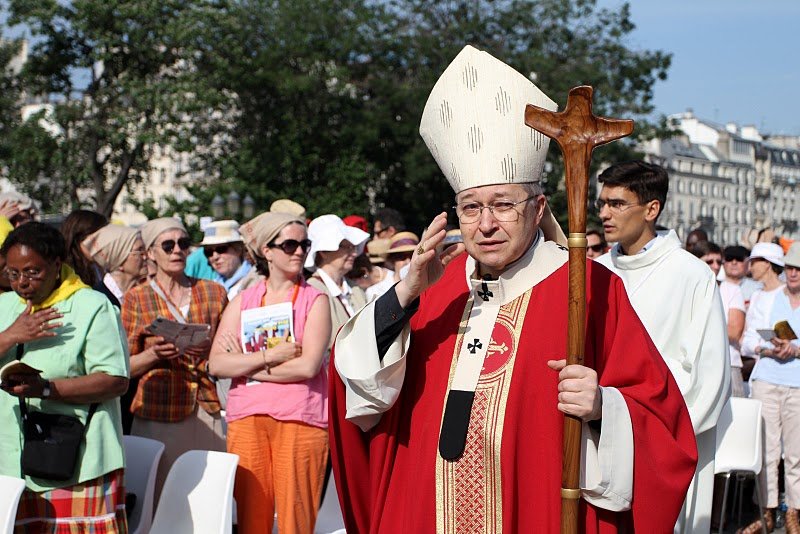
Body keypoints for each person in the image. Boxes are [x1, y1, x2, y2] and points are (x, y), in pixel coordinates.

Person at [329, 45, 697, 533]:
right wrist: (404, 295)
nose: (485, 225)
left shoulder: (585, 288)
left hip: (534, 509)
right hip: (425, 510)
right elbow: (357, 394)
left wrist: (604, 407)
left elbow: (665, 426)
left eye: (503, 204)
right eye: (470, 207)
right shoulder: (434, 291)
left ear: (538, 207)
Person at [595, 160, 729, 533]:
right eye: (602, 203)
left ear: (651, 209)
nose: (605, 213)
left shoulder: (692, 275)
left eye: (617, 203)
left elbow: (709, 377)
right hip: (599, 436)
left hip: (664, 444)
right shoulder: (598, 271)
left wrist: (650, 431)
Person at [0, 222, 129, 532]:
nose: (22, 283)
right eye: (13, 273)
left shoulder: (93, 307)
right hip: (9, 465)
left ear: (57, 265)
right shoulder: (4, 306)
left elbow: (116, 380)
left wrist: (46, 389)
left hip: (76, 461)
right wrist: (10, 336)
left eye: (32, 272)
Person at [209, 211, 331, 533]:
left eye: (304, 244)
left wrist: (248, 366)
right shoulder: (244, 300)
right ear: (267, 250)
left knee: (296, 520)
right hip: (247, 419)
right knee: (251, 519)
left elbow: (307, 366)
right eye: (290, 244)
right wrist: (271, 357)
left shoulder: (315, 299)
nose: (299, 251)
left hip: (300, 418)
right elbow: (217, 364)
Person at [121, 217, 228, 499]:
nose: (177, 251)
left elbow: (229, 348)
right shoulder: (136, 298)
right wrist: (153, 354)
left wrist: (208, 351)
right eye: (167, 245)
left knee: (209, 496)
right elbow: (123, 367)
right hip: (158, 408)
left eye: (183, 243)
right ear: (151, 253)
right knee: (159, 497)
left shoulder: (214, 292)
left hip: (207, 404)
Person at [739, 242, 799, 533]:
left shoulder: (786, 296)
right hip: (765, 377)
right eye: (790, 267)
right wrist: (766, 347)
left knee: (794, 452)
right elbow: (747, 340)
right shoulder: (761, 296)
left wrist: (792, 348)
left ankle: (792, 513)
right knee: (767, 450)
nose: (794, 273)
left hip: (794, 381)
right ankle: (766, 512)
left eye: (798, 268)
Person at [691, 241, 747, 398]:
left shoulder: (732, 290)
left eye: (718, 261)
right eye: (709, 261)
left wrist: (697, 328)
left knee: (737, 418)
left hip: (729, 363)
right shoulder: (686, 290)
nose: (715, 266)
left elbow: (734, 332)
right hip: (696, 365)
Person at [306, 214, 369, 349]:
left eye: (353, 247)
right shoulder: (311, 291)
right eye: (345, 247)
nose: (353, 253)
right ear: (323, 251)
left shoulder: (355, 289)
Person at [82, 224, 148, 305]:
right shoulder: (98, 300)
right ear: (119, 260)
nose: (145, 256)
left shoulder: (144, 294)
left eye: (145, 249)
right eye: (139, 251)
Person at [200, 220, 253, 300]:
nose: (215, 257)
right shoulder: (211, 286)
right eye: (209, 252)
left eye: (221, 249)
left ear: (238, 249)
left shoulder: (255, 281)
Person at [365, 231, 420, 300]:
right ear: (392, 259)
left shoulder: (424, 287)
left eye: (412, 256)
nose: (408, 262)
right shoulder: (376, 292)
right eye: (402, 257)